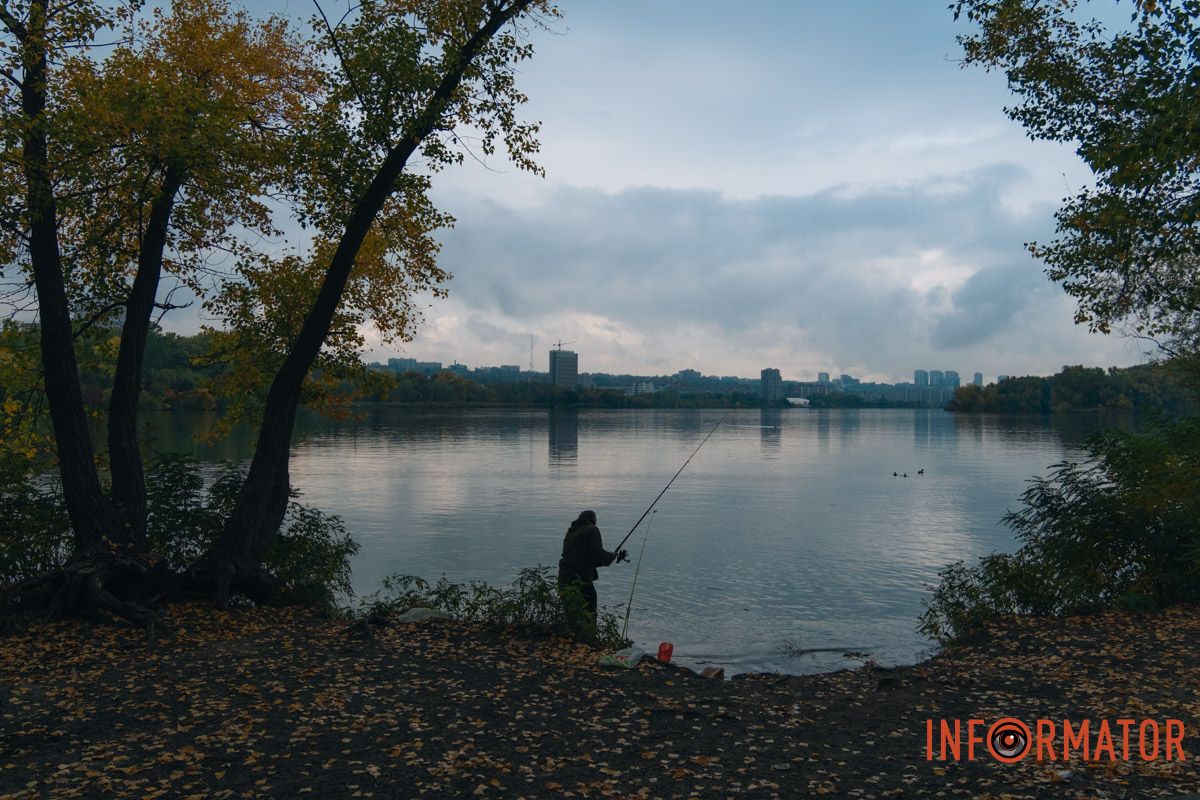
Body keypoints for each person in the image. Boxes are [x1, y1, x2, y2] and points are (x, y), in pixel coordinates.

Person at [557, 510, 626, 632]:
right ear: (592, 520)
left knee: (572, 611)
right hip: (580, 579)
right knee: (590, 609)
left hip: (564, 577)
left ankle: (575, 635)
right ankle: (589, 637)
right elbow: (597, 552)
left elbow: (581, 558)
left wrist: (607, 559)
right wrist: (610, 556)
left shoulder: (571, 532)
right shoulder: (592, 529)